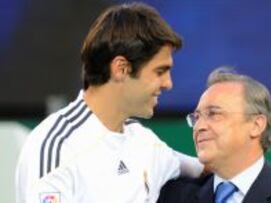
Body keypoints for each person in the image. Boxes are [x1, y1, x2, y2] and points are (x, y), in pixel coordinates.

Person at [15, 3, 203, 203]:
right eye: (160, 71)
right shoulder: (57, 147)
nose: (168, 84)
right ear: (121, 69)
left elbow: (208, 169)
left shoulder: (146, 142)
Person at [157, 67, 271, 203]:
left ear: (256, 125)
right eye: (196, 117)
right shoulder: (173, 196)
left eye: (213, 114)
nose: (199, 126)